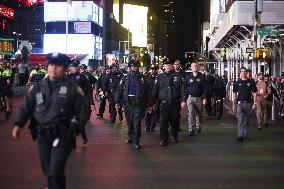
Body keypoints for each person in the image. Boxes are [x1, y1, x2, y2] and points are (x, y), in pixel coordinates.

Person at [12, 52, 89, 189]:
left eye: (58, 65)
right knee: (48, 171)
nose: (53, 68)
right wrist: (18, 124)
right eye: (51, 65)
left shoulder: (72, 88)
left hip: (64, 135)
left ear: (64, 68)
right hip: (43, 134)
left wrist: (76, 127)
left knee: (55, 170)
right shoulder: (38, 87)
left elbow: (84, 110)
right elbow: (26, 106)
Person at [115, 60, 149, 149]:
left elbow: (147, 92)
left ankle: (136, 141)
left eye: (137, 66)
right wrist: (117, 101)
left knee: (137, 123)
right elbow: (119, 90)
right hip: (127, 104)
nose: (136, 68)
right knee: (130, 122)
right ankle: (130, 136)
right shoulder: (125, 78)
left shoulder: (143, 78)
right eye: (134, 66)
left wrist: (149, 104)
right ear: (130, 68)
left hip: (138, 104)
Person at [152, 59, 184, 146]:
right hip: (164, 103)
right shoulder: (159, 77)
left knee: (175, 121)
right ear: (164, 66)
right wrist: (152, 102)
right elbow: (155, 90)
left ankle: (174, 135)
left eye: (170, 65)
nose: (168, 66)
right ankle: (163, 139)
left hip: (175, 103)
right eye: (166, 65)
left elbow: (182, 89)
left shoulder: (178, 76)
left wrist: (183, 100)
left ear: (172, 66)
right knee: (163, 122)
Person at [67, 60, 94, 144]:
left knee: (81, 122)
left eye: (75, 67)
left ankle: (83, 135)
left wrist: (91, 102)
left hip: (81, 103)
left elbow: (89, 90)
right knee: (71, 123)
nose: (74, 68)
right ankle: (73, 142)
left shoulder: (82, 77)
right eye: (72, 67)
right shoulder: (66, 77)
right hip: (70, 103)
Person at [181, 60, 206, 136]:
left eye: (196, 66)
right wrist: (183, 100)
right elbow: (185, 89)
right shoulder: (188, 77)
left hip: (199, 98)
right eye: (193, 66)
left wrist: (205, 98)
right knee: (191, 114)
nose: (194, 67)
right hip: (190, 98)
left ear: (198, 67)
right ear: (191, 68)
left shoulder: (202, 76)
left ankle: (198, 127)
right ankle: (191, 130)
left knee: (199, 114)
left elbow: (205, 88)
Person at [232, 67, 257, 142]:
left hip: (248, 103)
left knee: (246, 120)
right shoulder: (237, 83)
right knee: (240, 120)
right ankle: (240, 136)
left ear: (247, 73)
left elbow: (255, 92)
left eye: (245, 71)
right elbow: (234, 94)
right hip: (239, 104)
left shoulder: (251, 82)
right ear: (240, 73)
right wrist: (234, 104)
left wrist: (254, 103)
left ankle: (245, 135)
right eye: (242, 71)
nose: (244, 73)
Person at [145, 64, 159, 132]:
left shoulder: (159, 78)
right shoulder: (146, 78)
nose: (152, 70)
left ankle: (152, 127)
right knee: (148, 113)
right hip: (148, 98)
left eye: (154, 69)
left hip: (156, 98)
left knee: (155, 113)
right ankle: (147, 126)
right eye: (151, 69)